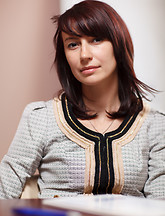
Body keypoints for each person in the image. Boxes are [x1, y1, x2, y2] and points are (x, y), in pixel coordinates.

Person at [0, 0, 165, 199]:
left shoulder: (154, 124)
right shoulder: (41, 117)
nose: (84, 55)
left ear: (118, 44)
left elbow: (160, 206)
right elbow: (4, 190)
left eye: (96, 40)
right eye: (73, 44)